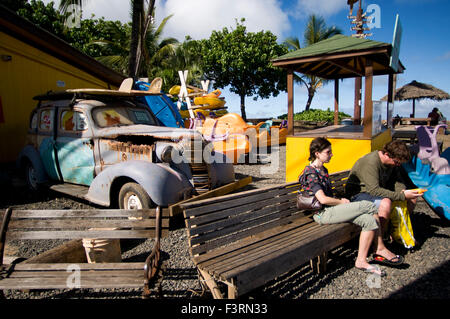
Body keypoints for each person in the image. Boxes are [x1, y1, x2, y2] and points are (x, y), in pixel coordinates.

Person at [298, 137, 401, 276]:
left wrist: (340, 199)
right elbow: (322, 199)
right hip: (322, 213)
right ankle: (380, 248)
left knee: (369, 220)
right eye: (328, 152)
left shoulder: (323, 169)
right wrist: (342, 202)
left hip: (332, 209)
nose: (331, 154)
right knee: (368, 206)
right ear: (317, 153)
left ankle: (361, 261)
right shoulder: (311, 173)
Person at [345, 140, 423, 253]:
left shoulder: (390, 162)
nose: (397, 165)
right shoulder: (371, 162)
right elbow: (374, 190)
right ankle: (378, 242)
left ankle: (399, 233)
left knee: (411, 198)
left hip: (373, 193)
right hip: (358, 195)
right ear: (387, 154)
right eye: (396, 162)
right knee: (385, 203)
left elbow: (396, 180)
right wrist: (401, 196)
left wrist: (402, 191)